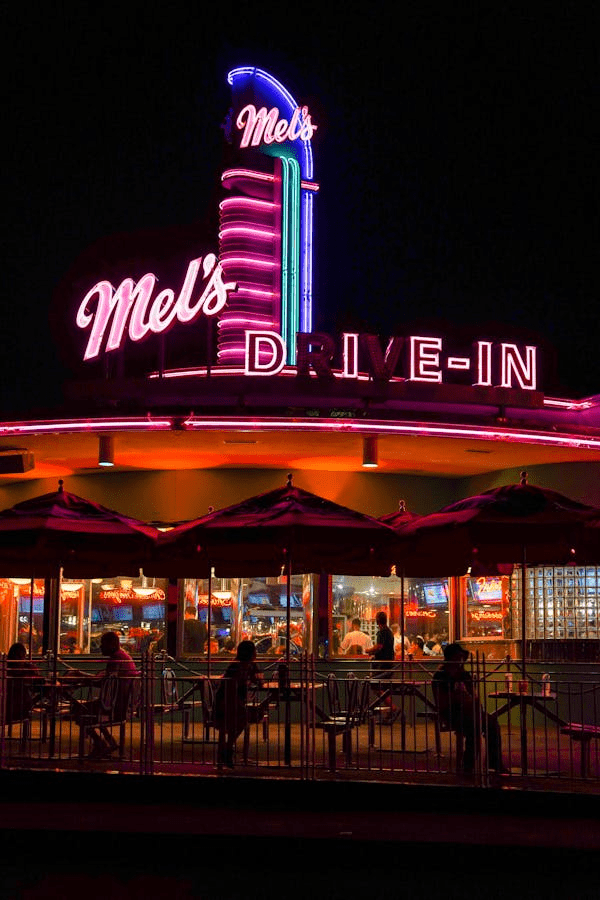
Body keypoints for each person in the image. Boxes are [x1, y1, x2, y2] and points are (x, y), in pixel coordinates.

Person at [432, 642, 506, 775]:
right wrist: (456, 696)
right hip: (451, 712)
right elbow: (441, 702)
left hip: (469, 710)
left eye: (461, 657)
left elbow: (475, 696)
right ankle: (468, 765)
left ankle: (494, 761)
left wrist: (472, 700)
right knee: (473, 727)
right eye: (458, 657)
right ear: (451, 658)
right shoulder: (440, 676)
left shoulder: (464, 675)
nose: (460, 660)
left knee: (492, 723)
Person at [70, 631, 139, 758]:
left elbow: (103, 683)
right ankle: (109, 742)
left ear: (112, 644)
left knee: (78, 709)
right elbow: (105, 681)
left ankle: (100, 743)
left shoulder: (116, 659)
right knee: (85, 709)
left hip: (112, 707)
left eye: (103, 644)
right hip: (120, 705)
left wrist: (79, 675)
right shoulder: (124, 656)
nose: (101, 647)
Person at [214, 639, 263, 769]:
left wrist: (255, 669)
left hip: (233, 703)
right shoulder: (236, 667)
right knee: (243, 718)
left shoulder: (247, 666)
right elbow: (229, 690)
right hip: (225, 704)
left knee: (244, 718)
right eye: (254, 651)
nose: (256, 654)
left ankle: (227, 749)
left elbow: (259, 681)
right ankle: (228, 749)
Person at [5, 642, 43, 724]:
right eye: (23, 656)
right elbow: (37, 680)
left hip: (9, 703)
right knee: (42, 691)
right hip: (19, 705)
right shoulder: (21, 670)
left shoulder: (7, 667)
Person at [365, 610, 394, 677]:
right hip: (389, 662)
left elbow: (379, 646)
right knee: (385, 683)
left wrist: (368, 650)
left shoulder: (382, 632)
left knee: (378, 682)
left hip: (382, 664)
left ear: (377, 620)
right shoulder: (388, 631)